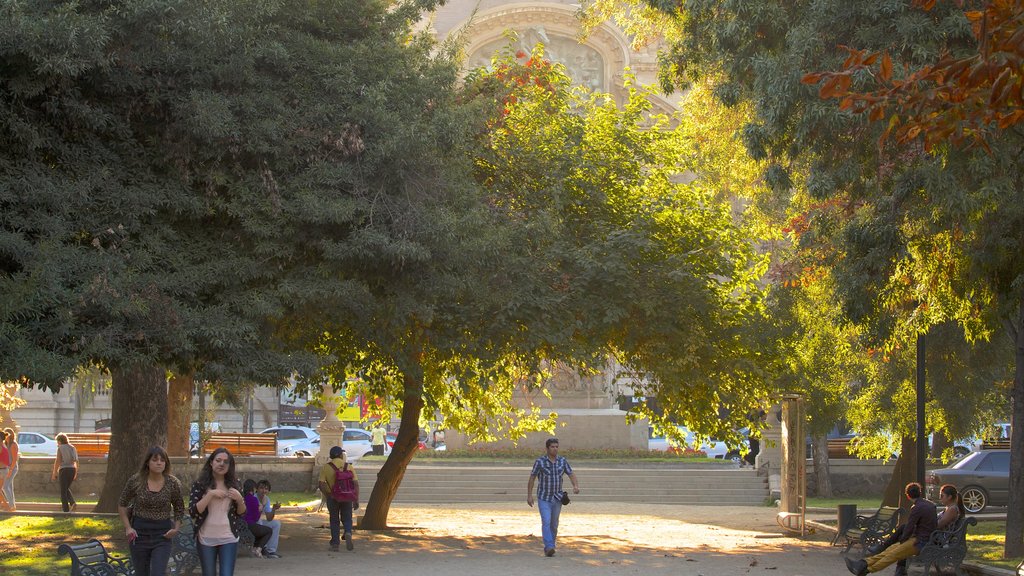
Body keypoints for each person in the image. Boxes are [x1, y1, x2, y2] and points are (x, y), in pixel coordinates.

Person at [862, 484, 966, 576]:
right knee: (903, 533)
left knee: (903, 535)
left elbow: (937, 526)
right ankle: (892, 560)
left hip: (937, 539)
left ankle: (887, 554)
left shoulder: (952, 509)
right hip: (933, 536)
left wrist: (922, 525)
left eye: (942, 495)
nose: (940, 498)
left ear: (950, 497)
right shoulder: (949, 508)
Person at [118, 446, 185, 576]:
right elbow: (122, 504)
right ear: (147, 462)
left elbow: (179, 507)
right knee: (141, 572)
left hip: (162, 535)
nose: (159, 463)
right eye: (155, 460)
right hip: (139, 534)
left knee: (158, 572)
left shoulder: (173, 483)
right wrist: (128, 528)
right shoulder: (136, 480)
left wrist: (176, 529)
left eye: (162, 460)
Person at [845, 482, 937, 576]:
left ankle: (866, 569)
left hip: (920, 542)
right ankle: (863, 563)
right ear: (919, 492)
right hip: (925, 539)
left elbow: (910, 526)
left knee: (892, 554)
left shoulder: (917, 507)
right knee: (890, 551)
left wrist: (903, 540)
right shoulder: (929, 504)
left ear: (908, 496)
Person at [189, 448, 246, 576]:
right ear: (211, 462)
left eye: (226, 462)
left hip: (228, 537)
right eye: (218, 460)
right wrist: (209, 495)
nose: (221, 464)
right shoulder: (200, 484)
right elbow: (193, 512)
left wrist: (239, 499)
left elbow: (241, 513)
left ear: (230, 465)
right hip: (206, 538)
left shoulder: (235, 484)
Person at [527, 438, 580, 557]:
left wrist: (575, 485)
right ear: (547, 448)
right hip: (544, 497)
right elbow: (532, 478)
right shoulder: (540, 462)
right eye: (552, 447)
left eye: (556, 446)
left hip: (557, 497)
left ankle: (552, 545)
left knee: (554, 524)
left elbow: (570, 473)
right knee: (546, 521)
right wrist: (529, 495)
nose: (555, 449)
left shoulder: (562, 461)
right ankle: (549, 546)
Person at [318, 446, 359, 551]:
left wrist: (328, 495)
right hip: (347, 496)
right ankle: (348, 532)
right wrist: (355, 499)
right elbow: (355, 484)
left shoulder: (326, 467)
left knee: (334, 520)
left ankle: (335, 544)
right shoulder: (348, 466)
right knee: (347, 517)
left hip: (334, 496)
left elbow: (321, 484)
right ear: (341, 455)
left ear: (331, 456)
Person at [241, 479, 274, 558]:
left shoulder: (242, 498)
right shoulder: (253, 499)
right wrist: (261, 507)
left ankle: (255, 548)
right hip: (249, 525)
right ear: (253, 488)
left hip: (241, 525)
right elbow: (255, 518)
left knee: (261, 528)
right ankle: (259, 549)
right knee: (268, 531)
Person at [51, 433, 79, 512]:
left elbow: (58, 460)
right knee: (66, 488)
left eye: (57, 441)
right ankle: (72, 503)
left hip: (64, 469)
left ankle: (66, 510)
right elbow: (76, 461)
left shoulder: (60, 448)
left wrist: (54, 473)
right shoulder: (72, 447)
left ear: (59, 441)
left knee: (63, 491)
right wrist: (76, 472)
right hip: (72, 469)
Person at [255, 479, 282, 558]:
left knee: (276, 523)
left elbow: (269, 518)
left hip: (259, 522)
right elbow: (255, 516)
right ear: (257, 489)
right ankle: (263, 548)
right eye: (261, 488)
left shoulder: (267, 499)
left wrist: (273, 509)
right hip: (252, 523)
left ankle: (271, 551)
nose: (264, 491)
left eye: (266, 489)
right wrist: (262, 504)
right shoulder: (254, 497)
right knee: (259, 520)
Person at [1, 428, 16, 511]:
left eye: (7, 434)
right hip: (7, 467)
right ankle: (12, 505)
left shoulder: (13, 445)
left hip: (12, 468)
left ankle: (10, 506)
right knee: (9, 486)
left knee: (5, 486)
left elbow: (14, 459)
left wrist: (10, 470)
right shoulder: (5, 444)